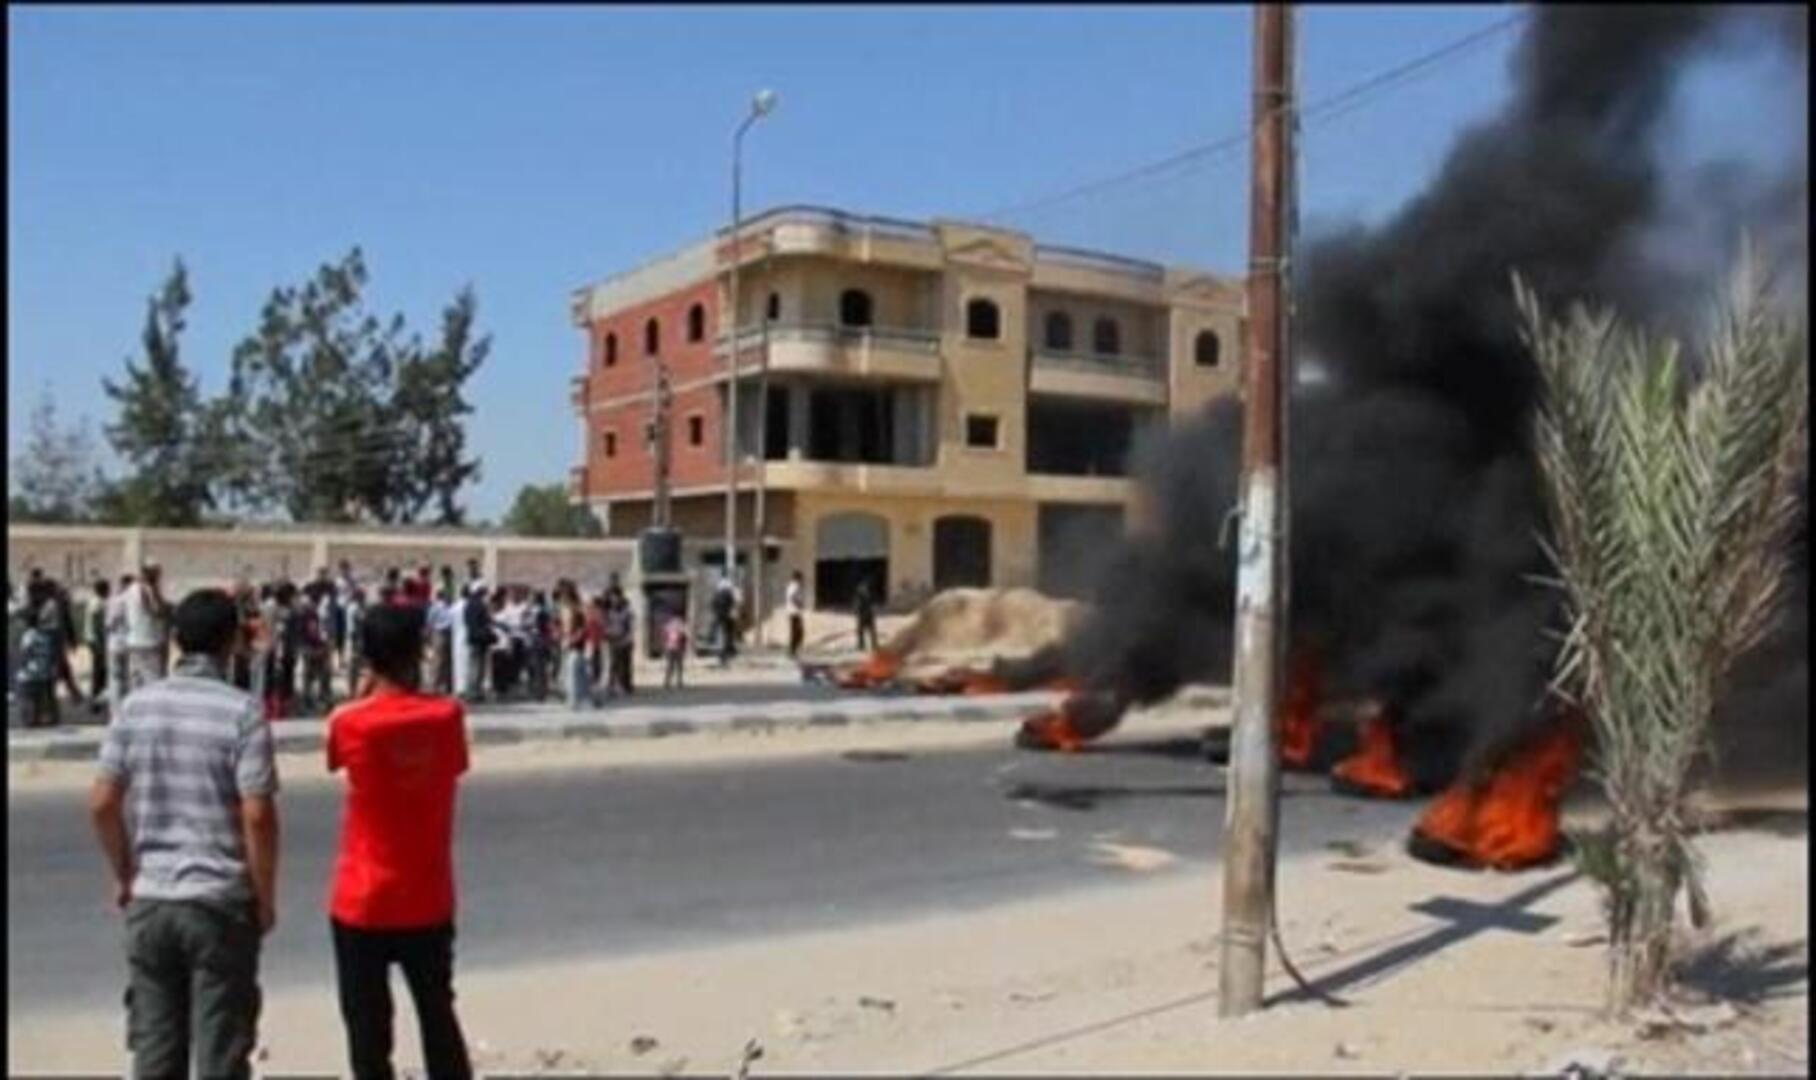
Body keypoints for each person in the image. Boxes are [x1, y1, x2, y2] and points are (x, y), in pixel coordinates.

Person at [89, 588, 280, 1079]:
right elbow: (257, 814)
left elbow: (102, 801)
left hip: (151, 899)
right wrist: (263, 895)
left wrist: (125, 870)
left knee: (154, 1051)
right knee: (220, 1051)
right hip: (218, 900)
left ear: (175, 640)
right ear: (231, 642)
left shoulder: (135, 708)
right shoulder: (243, 712)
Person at [325, 603, 473, 1078]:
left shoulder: (349, 723)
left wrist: (361, 694)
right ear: (420, 650)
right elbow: (452, 765)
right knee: (438, 1016)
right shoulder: (447, 716)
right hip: (427, 896)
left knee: (367, 1032)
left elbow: (336, 759)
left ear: (366, 657)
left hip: (361, 898)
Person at [122, 562, 171, 693]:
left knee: (136, 683)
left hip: (133, 641)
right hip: (149, 642)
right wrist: (156, 591)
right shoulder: (147, 589)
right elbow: (157, 611)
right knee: (154, 684)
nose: (159, 578)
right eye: (157, 574)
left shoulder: (130, 589)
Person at [16, 605, 58, 728]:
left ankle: (29, 719)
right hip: (43, 672)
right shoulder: (44, 636)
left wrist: (21, 666)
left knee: (25, 695)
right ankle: (36, 717)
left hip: (30, 672)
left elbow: (25, 653)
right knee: (37, 698)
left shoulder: (28, 635)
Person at [106, 574, 134, 721]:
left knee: (116, 679)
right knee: (129, 678)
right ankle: (128, 710)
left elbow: (110, 624)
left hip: (116, 643)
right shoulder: (134, 600)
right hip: (131, 643)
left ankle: (116, 713)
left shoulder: (115, 601)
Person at [460, 584, 493, 702]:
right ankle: (475, 692)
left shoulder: (468, 605)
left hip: (471, 638)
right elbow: (487, 621)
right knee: (479, 666)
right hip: (480, 639)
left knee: (472, 665)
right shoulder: (481, 605)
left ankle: (471, 691)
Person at [87, 578, 113, 713]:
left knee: (100, 673)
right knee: (100, 674)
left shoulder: (94, 601)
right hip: (98, 642)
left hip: (94, 641)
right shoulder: (98, 604)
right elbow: (98, 626)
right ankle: (96, 703)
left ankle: (98, 701)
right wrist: (102, 646)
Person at [605, 588, 635, 697]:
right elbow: (607, 625)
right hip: (613, 640)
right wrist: (608, 633)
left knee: (624, 665)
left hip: (625, 641)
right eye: (612, 598)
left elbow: (629, 627)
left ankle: (625, 686)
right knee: (613, 664)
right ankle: (612, 686)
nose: (614, 600)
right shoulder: (609, 611)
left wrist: (625, 636)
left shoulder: (626, 610)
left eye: (615, 597)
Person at [712, 575, 738, 668]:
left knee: (720, 637)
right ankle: (726, 654)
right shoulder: (729, 595)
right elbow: (733, 605)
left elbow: (713, 605)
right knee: (727, 636)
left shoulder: (717, 594)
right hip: (727, 618)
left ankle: (722, 656)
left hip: (719, 618)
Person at [662, 610, 688, 690]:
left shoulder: (668, 624)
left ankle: (667, 682)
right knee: (679, 666)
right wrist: (684, 646)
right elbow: (684, 635)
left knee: (669, 666)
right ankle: (679, 682)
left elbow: (664, 635)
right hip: (678, 647)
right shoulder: (681, 624)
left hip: (669, 647)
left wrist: (665, 645)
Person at [785, 571, 807, 660]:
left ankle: (793, 651)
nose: (802, 580)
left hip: (794, 612)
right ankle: (792, 651)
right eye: (801, 578)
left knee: (797, 632)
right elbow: (792, 597)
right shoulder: (794, 586)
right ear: (797, 578)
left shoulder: (793, 586)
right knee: (797, 632)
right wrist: (799, 604)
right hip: (794, 612)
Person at [854, 579, 879, 653]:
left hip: (868, 615)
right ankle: (862, 645)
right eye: (861, 587)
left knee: (871, 631)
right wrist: (857, 612)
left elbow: (873, 604)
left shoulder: (869, 595)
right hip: (863, 615)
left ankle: (873, 645)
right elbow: (857, 605)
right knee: (861, 631)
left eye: (863, 587)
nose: (863, 589)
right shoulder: (859, 596)